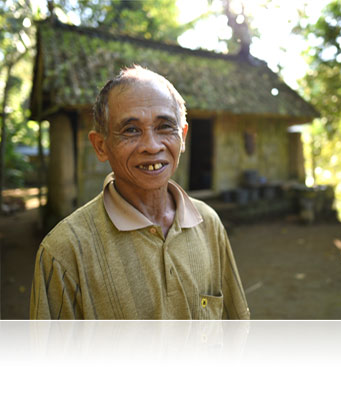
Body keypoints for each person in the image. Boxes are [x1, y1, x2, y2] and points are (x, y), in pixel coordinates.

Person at [30, 66, 250, 319]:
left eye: (165, 126)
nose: (152, 146)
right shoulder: (64, 252)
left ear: (183, 136)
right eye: (131, 130)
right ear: (101, 146)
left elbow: (235, 325)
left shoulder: (208, 223)